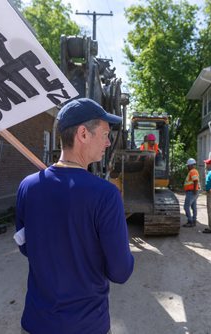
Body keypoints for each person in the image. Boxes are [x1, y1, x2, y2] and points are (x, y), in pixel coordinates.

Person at [15, 98, 134, 334]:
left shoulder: (28, 187)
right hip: (87, 326)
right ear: (83, 133)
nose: (108, 142)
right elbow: (120, 272)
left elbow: (25, 246)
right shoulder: (106, 194)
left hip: (36, 323)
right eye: (105, 134)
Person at [182, 158, 200, 227]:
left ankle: (190, 221)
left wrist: (194, 190)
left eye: (188, 165)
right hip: (193, 191)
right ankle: (194, 220)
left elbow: (195, 181)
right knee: (193, 206)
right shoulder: (193, 171)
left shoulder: (193, 171)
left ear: (191, 165)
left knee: (186, 207)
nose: (187, 167)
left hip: (192, 191)